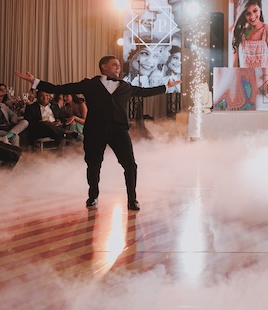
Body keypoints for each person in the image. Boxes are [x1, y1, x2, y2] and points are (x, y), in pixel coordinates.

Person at [15, 55, 180, 211]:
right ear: (104, 67)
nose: (118, 68)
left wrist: (166, 87)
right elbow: (60, 88)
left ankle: (132, 198)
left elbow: (145, 92)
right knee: (93, 164)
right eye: (114, 64)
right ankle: (93, 195)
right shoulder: (89, 84)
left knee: (130, 165)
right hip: (95, 129)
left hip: (118, 130)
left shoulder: (125, 86)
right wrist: (35, 82)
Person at [231, 0, 268, 67]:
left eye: (255, 11)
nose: (252, 16)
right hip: (242, 79)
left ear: (260, 8)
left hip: (264, 79)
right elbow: (234, 65)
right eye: (248, 13)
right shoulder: (238, 32)